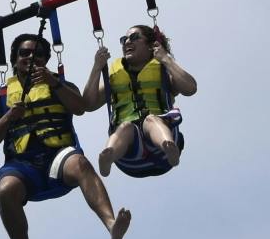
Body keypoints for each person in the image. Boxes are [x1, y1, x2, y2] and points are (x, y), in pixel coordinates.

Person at [0, 32, 131, 239]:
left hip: (57, 158)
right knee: (5, 190)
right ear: (15, 61)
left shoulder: (61, 84)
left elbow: (80, 108)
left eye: (38, 54)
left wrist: (55, 84)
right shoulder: (0, 98)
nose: (31, 57)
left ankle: (111, 224)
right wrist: (9, 117)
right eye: (25, 53)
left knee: (81, 163)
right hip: (22, 166)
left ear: (46, 60)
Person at [83, 23, 198, 179]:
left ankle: (168, 145)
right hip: (129, 156)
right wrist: (97, 67)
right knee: (126, 127)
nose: (127, 42)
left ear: (151, 46)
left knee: (151, 120)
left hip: (162, 149)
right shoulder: (114, 79)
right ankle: (108, 155)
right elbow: (88, 105)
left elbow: (190, 88)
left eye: (134, 37)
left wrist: (166, 59)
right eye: (124, 40)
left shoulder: (163, 72)